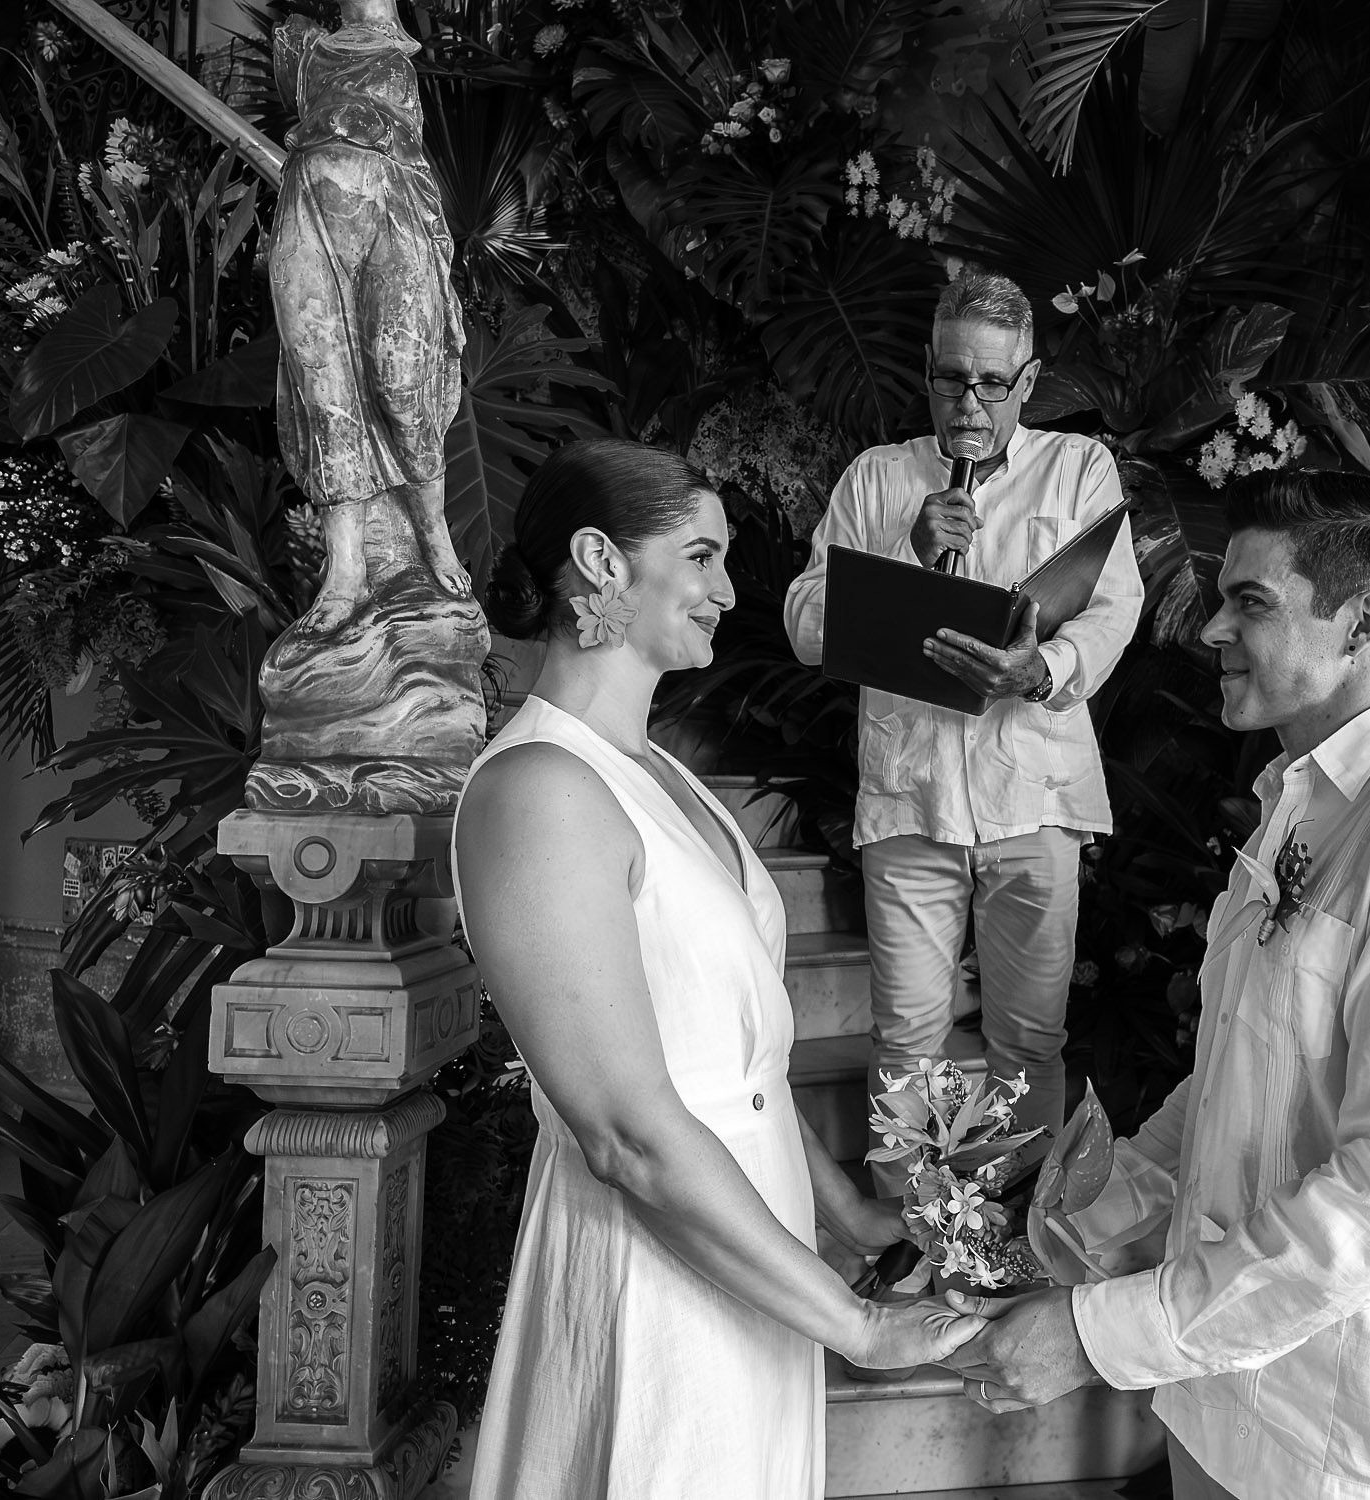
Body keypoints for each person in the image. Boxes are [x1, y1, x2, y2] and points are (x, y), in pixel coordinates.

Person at [944, 471, 1370, 1500]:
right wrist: (1049, 1237)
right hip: (1222, 1403)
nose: (1209, 632)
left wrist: (1098, 1336)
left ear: (1362, 624)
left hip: (1351, 1445)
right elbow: (1234, 1083)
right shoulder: (1301, 805)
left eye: (1251, 603)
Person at [452, 439, 984, 1499]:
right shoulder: (538, 790)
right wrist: (858, 1324)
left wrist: (848, 1217)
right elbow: (628, 1134)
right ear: (601, 561)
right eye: (700, 557)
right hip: (652, 1268)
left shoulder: (660, 774)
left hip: (756, 1249)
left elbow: (739, 1072)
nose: (727, 591)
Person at [782, 270, 1143, 1161]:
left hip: (1037, 793)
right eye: (952, 379)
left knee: (1031, 1043)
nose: (970, 402)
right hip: (913, 800)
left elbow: (1115, 604)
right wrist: (901, 550)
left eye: (992, 382)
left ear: (1028, 381)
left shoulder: (1080, 468)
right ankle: (913, 1234)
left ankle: (1019, 1232)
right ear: (929, 373)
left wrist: (1041, 667)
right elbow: (802, 622)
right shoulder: (876, 479)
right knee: (906, 1045)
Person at [271, 0, 469, 633]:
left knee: (401, 383)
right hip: (309, 211)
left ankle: (436, 538)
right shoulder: (300, 46)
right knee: (325, 393)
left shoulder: (413, 47)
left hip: (395, 207)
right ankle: (347, 570)